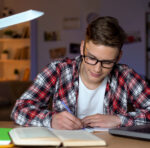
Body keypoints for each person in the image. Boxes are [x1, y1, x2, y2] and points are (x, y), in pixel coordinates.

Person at [11, 16, 150, 130]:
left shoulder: (125, 75)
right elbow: (19, 109)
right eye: (91, 58)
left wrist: (119, 120)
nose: (97, 69)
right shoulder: (58, 70)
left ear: (118, 57)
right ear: (82, 47)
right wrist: (51, 120)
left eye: (107, 62)